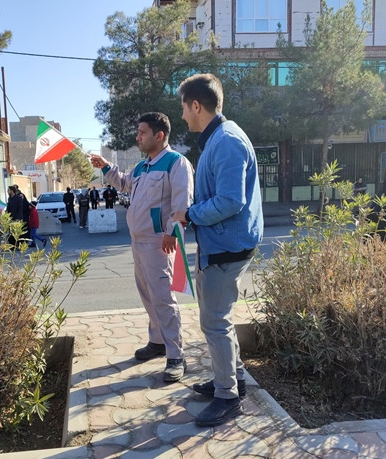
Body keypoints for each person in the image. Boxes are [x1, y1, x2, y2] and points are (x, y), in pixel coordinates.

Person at [173, 73, 263, 427]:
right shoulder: (221, 138)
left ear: (196, 105)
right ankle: (232, 378)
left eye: (183, 108)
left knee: (214, 322)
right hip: (224, 243)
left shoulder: (225, 141)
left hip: (226, 247)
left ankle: (228, 396)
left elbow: (229, 200)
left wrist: (190, 214)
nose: (182, 116)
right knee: (217, 319)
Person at [90, 111, 194, 383]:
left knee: (163, 298)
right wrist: (105, 167)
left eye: (142, 133)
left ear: (159, 136)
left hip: (160, 242)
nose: (137, 137)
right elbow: (124, 184)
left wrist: (172, 232)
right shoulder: (142, 166)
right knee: (148, 296)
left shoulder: (176, 163)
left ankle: (176, 356)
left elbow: (182, 202)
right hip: (138, 242)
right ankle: (157, 342)